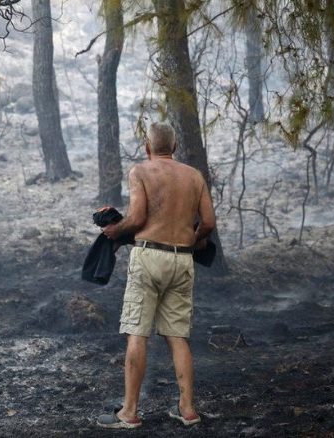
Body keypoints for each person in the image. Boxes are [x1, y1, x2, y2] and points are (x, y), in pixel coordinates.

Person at [96, 122, 216, 429]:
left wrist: (114, 230)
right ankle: (187, 410)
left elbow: (137, 218)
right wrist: (194, 239)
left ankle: (129, 413)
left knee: (138, 333)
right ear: (175, 147)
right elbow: (209, 223)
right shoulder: (194, 175)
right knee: (178, 337)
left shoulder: (140, 171)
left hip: (149, 257)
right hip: (182, 260)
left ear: (147, 147)